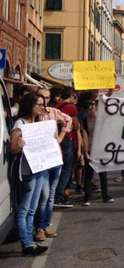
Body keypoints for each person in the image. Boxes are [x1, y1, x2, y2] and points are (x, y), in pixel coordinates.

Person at [11, 93, 56, 255]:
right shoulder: (20, 123)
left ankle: (30, 242)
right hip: (28, 172)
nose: (41, 107)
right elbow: (13, 149)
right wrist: (20, 145)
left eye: (42, 104)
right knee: (24, 209)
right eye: (38, 104)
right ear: (30, 105)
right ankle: (27, 244)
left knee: (32, 209)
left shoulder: (37, 123)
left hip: (39, 169)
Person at [33, 88, 72, 241]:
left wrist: (61, 136)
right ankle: (39, 228)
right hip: (40, 161)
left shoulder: (53, 112)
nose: (46, 100)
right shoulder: (34, 115)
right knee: (42, 195)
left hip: (55, 158)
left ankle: (45, 225)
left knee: (50, 195)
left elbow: (68, 120)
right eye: (42, 97)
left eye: (48, 97)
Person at [77, 91, 115, 206]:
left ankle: (106, 196)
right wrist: (86, 152)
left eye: (94, 105)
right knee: (89, 175)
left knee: (103, 174)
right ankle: (87, 197)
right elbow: (84, 136)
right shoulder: (84, 120)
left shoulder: (102, 118)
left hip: (102, 149)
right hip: (91, 150)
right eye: (90, 106)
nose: (92, 108)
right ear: (86, 109)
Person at [54, 87, 80, 208]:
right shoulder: (71, 107)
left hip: (59, 138)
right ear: (71, 96)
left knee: (61, 168)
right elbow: (76, 125)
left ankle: (57, 194)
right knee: (67, 169)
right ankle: (59, 195)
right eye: (74, 96)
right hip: (68, 138)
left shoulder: (58, 106)